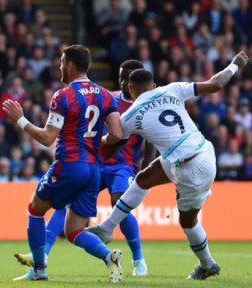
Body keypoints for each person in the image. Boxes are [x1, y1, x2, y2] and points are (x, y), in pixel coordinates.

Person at [87, 51, 249, 280]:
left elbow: (109, 145)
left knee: (188, 221)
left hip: (190, 168)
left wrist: (91, 142)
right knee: (143, 179)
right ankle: (106, 228)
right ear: (153, 85)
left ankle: (207, 264)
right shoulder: (172, 88)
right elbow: (214, 85)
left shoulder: (130, 115)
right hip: (200, 150)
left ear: (130, 90)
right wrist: (234, 65)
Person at [14, 60, 156, 276]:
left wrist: (145, 173)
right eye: (120, 75)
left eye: (127, 76)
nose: (122, 80)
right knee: (70, 220)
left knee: (119, 203)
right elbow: (115, 133)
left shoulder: (145, 107)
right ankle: (51, 255)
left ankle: (139, 259)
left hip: (119, 166)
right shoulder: (109, 96)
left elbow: (148, 141)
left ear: (134, 82)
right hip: (96, 163)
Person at [3, 45, 124, 282]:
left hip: (69, 165)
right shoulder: (106, 95)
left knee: (35, 209)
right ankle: (109, 257)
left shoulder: (63, 95)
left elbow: (48, 137)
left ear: (70, 65)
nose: (59, 66)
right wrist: (92, 143)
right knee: (74, 231)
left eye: (61, 62)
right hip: (93, 169)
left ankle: (38, 269)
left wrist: (20, 120)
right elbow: (117, 134)